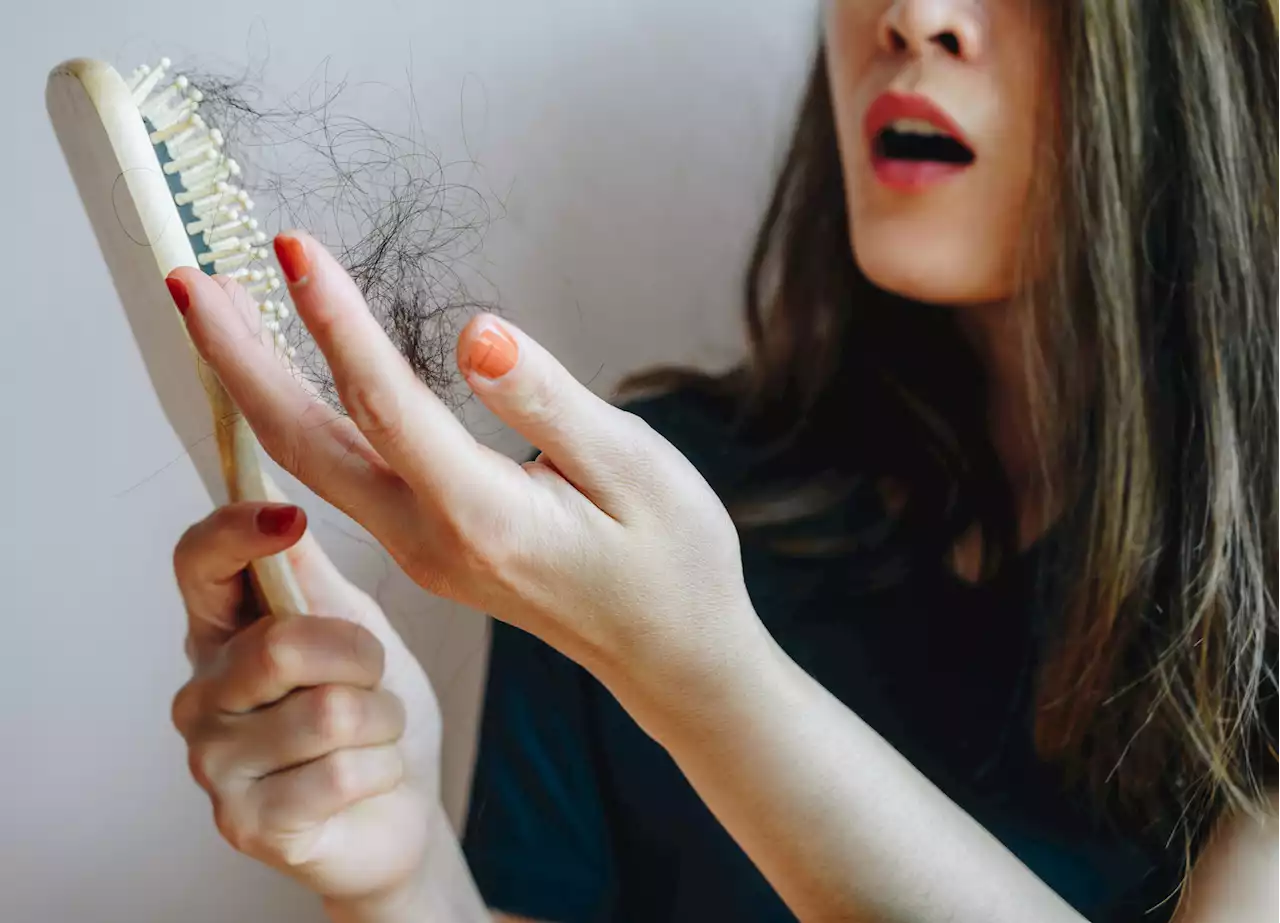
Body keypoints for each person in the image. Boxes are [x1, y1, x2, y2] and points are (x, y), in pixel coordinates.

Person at [163, 1, 1280, 921]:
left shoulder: (1254, 601)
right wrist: (401, 871)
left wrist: (693, 668)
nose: (914, 21)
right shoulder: (634, 502)